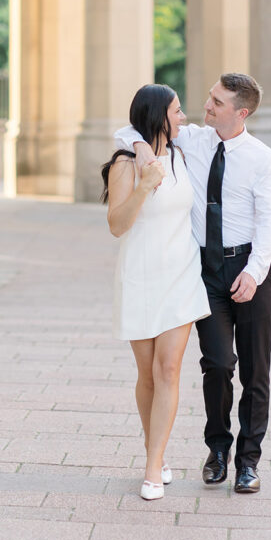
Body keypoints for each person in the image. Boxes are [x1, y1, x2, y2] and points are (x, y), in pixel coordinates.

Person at [116, 72, 271, 494]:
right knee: (218, 365)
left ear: (240, 113)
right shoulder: (192, 140)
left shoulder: (264, 159)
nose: (206, 106)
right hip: (205, 270)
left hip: (250, 268)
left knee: (255, 371)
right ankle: (218, 450)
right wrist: (138, 148)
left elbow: (269, 222)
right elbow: (135, 125)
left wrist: (254, 272)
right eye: (209, 97)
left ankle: (248, 462)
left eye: (217, 102)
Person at [102, 84, 210, 501]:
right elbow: (116, 225)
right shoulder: (125, 166)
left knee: (168, 369)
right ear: (157, 117)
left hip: (181, 275)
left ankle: (152, 467)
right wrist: (145, 184)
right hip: (140, 277)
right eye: (177, 111)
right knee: (147, 374)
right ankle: (157, 455)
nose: (183, 117)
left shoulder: (185, 153)